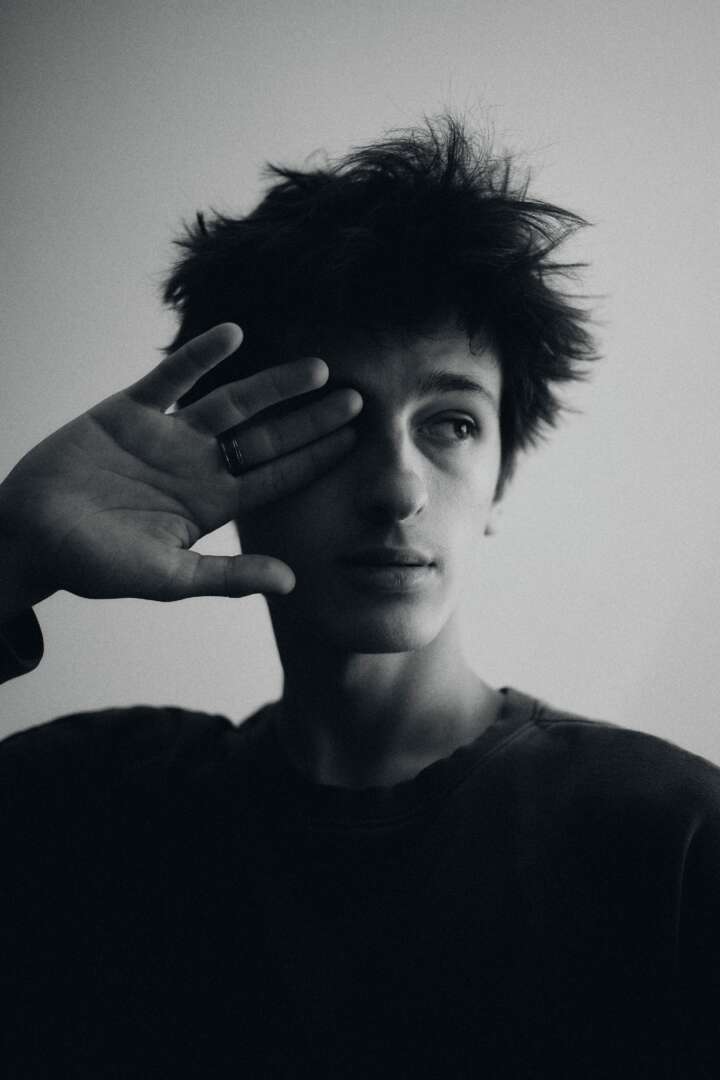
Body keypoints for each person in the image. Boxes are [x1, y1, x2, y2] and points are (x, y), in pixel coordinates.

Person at [0, 117, 718, 1078]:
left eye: (452, 423)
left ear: (502, 479)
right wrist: (10, 557)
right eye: (330, 420)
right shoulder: (89, 815)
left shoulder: (670, 839)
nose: (398, 489)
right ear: (232, 462)